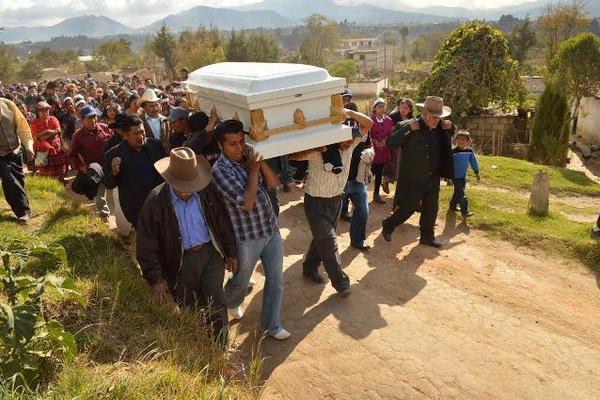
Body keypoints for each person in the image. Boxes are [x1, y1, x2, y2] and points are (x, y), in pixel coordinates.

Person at [136, 147, 237, 344]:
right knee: (189, 307)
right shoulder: (155, 202)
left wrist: (231, 252)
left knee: (216, 302)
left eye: (189, 184)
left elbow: (222, 221)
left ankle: (220, 348)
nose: (185, 189)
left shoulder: (207, 191)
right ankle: (199, 348)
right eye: (179, 184)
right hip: (179, 262)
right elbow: (147, 245)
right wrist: (156, 278)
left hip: (210, 255)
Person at [211, 120, 290, 340]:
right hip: (247, 237)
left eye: (241, 142)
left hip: (270, 229)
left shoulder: (248, 160)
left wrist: (259, 162)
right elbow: (247, 203)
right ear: (221, 146)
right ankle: (232, 302)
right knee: (241, 279)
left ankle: (271, 325)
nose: (239, 148)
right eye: (232, 144)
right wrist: (253, 170)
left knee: (276, 279)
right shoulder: (220, 171)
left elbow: (273, 183)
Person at [289, 108, 372, 295]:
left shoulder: (351, 144)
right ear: (334, 137)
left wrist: (349, 111)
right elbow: (292, 155)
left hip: (336, 200)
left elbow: (369, 124)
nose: (350, 141)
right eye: (345, 138)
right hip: (316, 202)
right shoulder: (319, 151)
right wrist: (313, 148)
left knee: (322, 239)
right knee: (329, 241)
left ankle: (310, 267)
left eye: (351, 137)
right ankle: (341, 283)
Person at [381, 96, 455, 248]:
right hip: (413, 178)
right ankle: (388, 224)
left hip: (432, 177)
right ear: (425, 114)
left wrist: (451, 126)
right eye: (434, 117)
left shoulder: (441, 127)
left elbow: (449, 138)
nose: (437, 120)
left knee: (431, 208)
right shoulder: (408, 125)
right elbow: (391, 143)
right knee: (408, 208)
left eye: (439, 117)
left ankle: (427, 237)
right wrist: (408, 129)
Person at [103, 114, 166, 231]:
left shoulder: (155, 145)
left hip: (160, 203)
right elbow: (108, 183)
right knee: (148, 240)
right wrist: (114, 173)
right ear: (125, 135)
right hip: (137, 209)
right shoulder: (113, 154)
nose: (141, 136)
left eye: (142, 132)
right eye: (136, 134)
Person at [69, 105, 113, 219]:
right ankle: (105, 215)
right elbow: (72, 155)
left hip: (109, 166)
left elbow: (114, 145)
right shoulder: (77, 136)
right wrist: (81, 167)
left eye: (94, 117)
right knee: (100, 195)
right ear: (83, 119)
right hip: (95, 170)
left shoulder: (105, 128)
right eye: (89, 118)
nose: (93, 120)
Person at [342, 102, 373, 251]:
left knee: (362, 211)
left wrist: (370, 153)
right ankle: (319, 252)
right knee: (329, 221)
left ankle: (357, 241)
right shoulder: (337, 134)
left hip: (357, 179)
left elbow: (369, 145)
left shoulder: (361, 132)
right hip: (338, 182)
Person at [0, 97, 34, 224]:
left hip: (15, 151)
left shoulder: (8, 104)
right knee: (9, 179)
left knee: (18, 181)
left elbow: (22, 127)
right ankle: (23, 213)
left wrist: (29, 146)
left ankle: (21, 209)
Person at [386, 98, 414, 206]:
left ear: (410, 110)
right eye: (401, 107)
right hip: (393, 146)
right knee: (390, 165)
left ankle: (400, 192)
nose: (403, 109)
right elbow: (388, 130)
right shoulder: (393, 117)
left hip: (405, 147)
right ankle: (386, 182)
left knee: (401, 167)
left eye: (406, 108)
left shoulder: (412, 119)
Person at [30, 101, 66, 181]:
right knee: (45, 170)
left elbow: (57, 130)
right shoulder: (34, 123)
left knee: (59, 168)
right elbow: (36, 137)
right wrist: (48, 131)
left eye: (47, 110)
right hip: (42, 148)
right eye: (42, 111)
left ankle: (61, 181)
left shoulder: (53, 119)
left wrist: (44, 136)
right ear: (37, 112)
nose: (45, 112)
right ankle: (48, 185)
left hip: (55, 145)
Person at [450, 131, 481, 218]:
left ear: (468, 141)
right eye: (458, 139)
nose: (460, 141)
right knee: (461, 194)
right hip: (455, 177)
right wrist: (447, 176)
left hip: (463, 176)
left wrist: (476, 172)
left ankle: (452, 206)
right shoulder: (453, 152)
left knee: (457, 192)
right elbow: (449, 164)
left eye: (463, 139)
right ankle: (465, 211)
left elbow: (473, 162)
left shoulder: (469, 151)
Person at [370, 98, 394, 204]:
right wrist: (374, 141)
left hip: (383, 150)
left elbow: (391, 133)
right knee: (370, 172)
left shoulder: (389, 120)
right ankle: (361, 195)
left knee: (379, 172)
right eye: (379, 107)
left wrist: (385, 140)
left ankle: (376, 194)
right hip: (372, 150)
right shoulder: (370, 119)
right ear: (375, 108)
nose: (381, 109)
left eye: (383, 106)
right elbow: (367, 133)